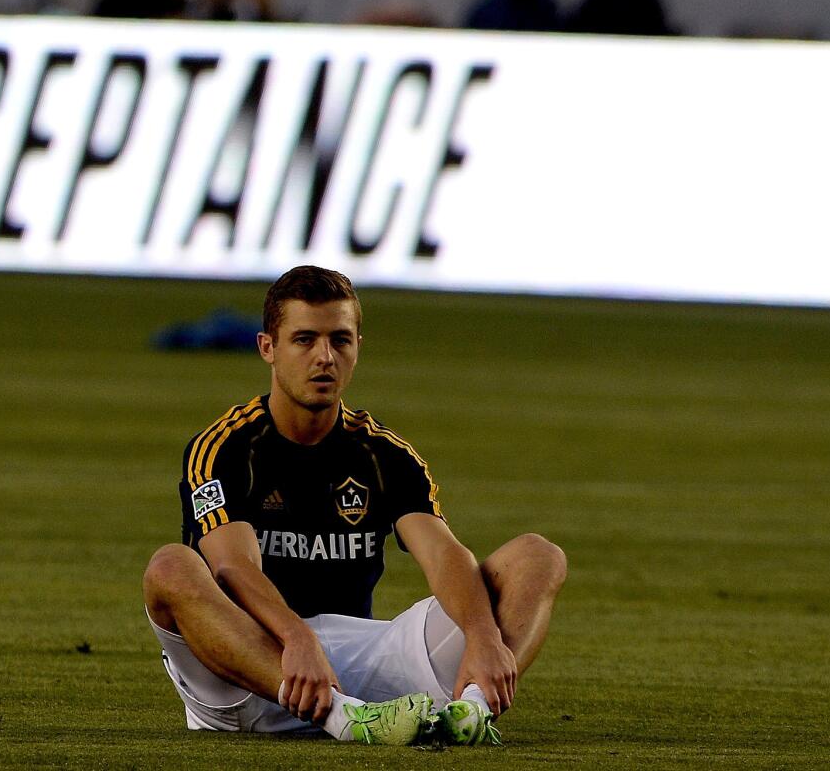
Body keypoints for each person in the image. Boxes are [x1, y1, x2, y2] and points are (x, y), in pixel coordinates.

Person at [143, 266, 567, 746]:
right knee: (170, 567)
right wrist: (297, 640)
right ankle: (346, 720)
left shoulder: (384, 453)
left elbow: (445, 555)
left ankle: (469, 711)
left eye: (340, 340)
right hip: (250, 672)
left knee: (538, 556)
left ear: (357, 346)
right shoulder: (225, 447)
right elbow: (231, 568)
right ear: (268, 348)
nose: (324, 357)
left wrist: (484, 636)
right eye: (304, 340)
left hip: (361, 663)